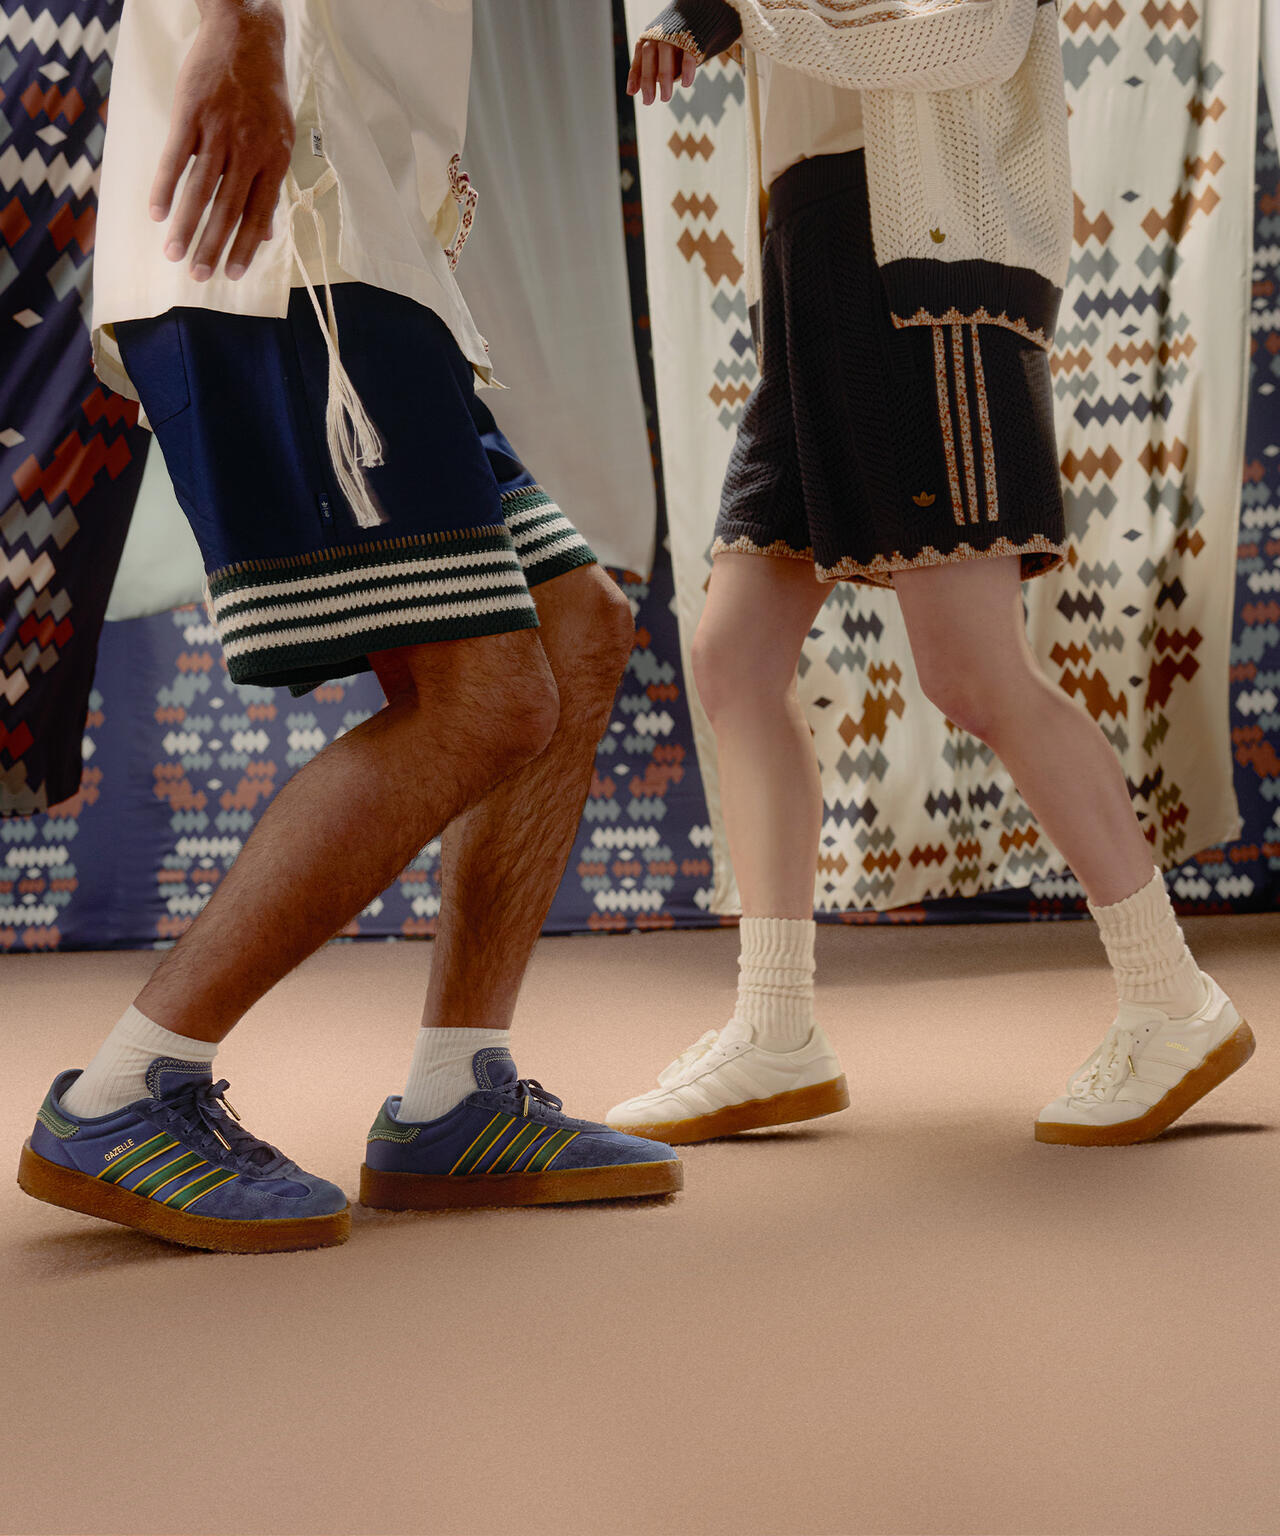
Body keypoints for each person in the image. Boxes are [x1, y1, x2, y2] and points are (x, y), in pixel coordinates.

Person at [17, 0, 681, 1254]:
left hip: (370, 235)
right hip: (285, 236)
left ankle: (453, 1098)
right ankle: (126, 1091)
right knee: (488, 698)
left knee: (575, 623)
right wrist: (241, 24)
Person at [606, 0, 1254, 1148]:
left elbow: (960, 39)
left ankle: (1169, 997)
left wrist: (737, 14)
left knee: (970, 671)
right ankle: (773, 1025)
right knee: (733, 657)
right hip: (809, 268)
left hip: (927, 276)